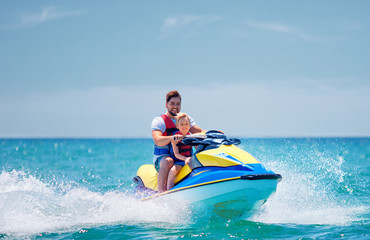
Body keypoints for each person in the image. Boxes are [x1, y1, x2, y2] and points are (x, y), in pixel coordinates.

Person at [151, 90, 202, 192]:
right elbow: (157, 140)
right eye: (172, 104)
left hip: (181, 158)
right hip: (162, 160)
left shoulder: (185, 119)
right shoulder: (159, 121)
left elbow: (199, 131)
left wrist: (214, 132)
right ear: (166, 105)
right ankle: (161, 193)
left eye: (178, 104)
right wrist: (171, 138)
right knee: (168, 161)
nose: (175, 106)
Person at [167, 113, 194, 190]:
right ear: (177, 126)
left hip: (188, 159)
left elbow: (198, 148)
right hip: (179, 161)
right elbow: (176, 154)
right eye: (181, 124)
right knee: (173, 171)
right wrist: (185, 159)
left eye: (186, 124)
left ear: (189, 125)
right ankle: (169, 190)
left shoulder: (191, 136)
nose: (184, 126)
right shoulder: (175, 138)